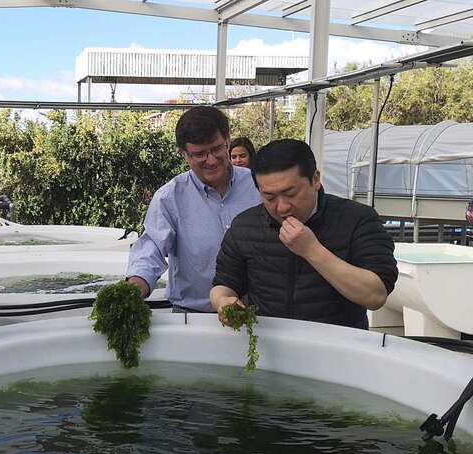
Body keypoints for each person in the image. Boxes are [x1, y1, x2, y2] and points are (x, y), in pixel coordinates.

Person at [210, 139, 398, 329]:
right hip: (268, 347)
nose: (282, 207)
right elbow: (224, 284)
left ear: (315, 179)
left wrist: (311, 250)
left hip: (339, 348)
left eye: (291, 194)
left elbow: (375, 295)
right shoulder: (245, 226)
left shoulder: (357, 219)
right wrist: (223, 301)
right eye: (270, 197)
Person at [126, 106, 260, 312]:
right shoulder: (170, 197)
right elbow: (151, 247)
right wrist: (134, 289)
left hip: (255, 316)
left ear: (227, 141)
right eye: (200, 154)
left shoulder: (258, 186)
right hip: (192, 318)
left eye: (216, 149)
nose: (212, 160)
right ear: (184, 154)